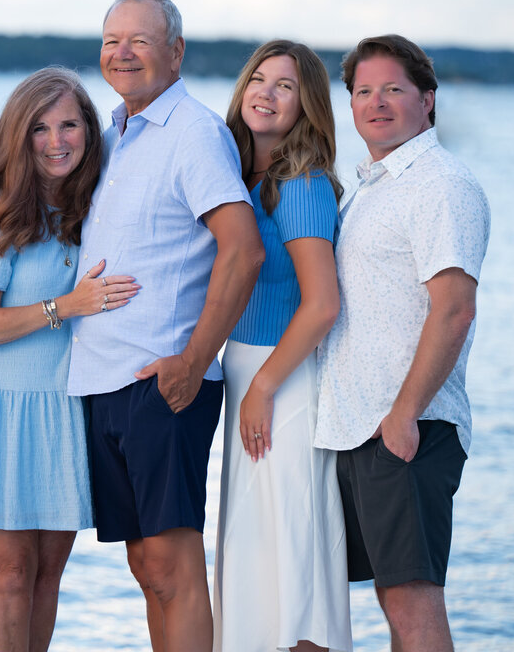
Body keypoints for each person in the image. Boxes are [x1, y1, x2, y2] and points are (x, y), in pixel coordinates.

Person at [66, 0, 264, 652]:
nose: (122, 53)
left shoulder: (193, 132)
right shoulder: (116, 135)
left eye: (140, 40)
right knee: (147, 567)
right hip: (104, 379)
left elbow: (243, 248)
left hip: (162, 380)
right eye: (111, 40)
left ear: (174, 53)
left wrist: (191, 360)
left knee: (174, 567)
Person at [0, 67, 140, 652]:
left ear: (90, 133)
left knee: (46, 577)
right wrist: (66, 306)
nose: (56, 140)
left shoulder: (92, 206)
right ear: (19, 134)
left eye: (70, 125)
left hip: (64, 408)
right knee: (10, 576)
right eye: (40, 128)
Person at [315, 34, 489, 652]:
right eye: (364, 91)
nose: (376, 102)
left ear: (428, 100)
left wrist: (405, 413)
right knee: (393, 603)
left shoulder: (440, 183)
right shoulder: (371, 185)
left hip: (407, 424)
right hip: (358, 424)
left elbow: (455, 309)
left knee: (412, 604)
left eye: (393, 89)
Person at [212, 40, 352, 652]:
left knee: (294, 552)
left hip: (286, 381)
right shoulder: (243, 178)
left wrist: (264, 386)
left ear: (307, 106)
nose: (266, 94)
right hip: (249, 372)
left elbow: (322, 303)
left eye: (285, 86)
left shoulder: (298, 182)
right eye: (258, 80)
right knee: (256, 548)